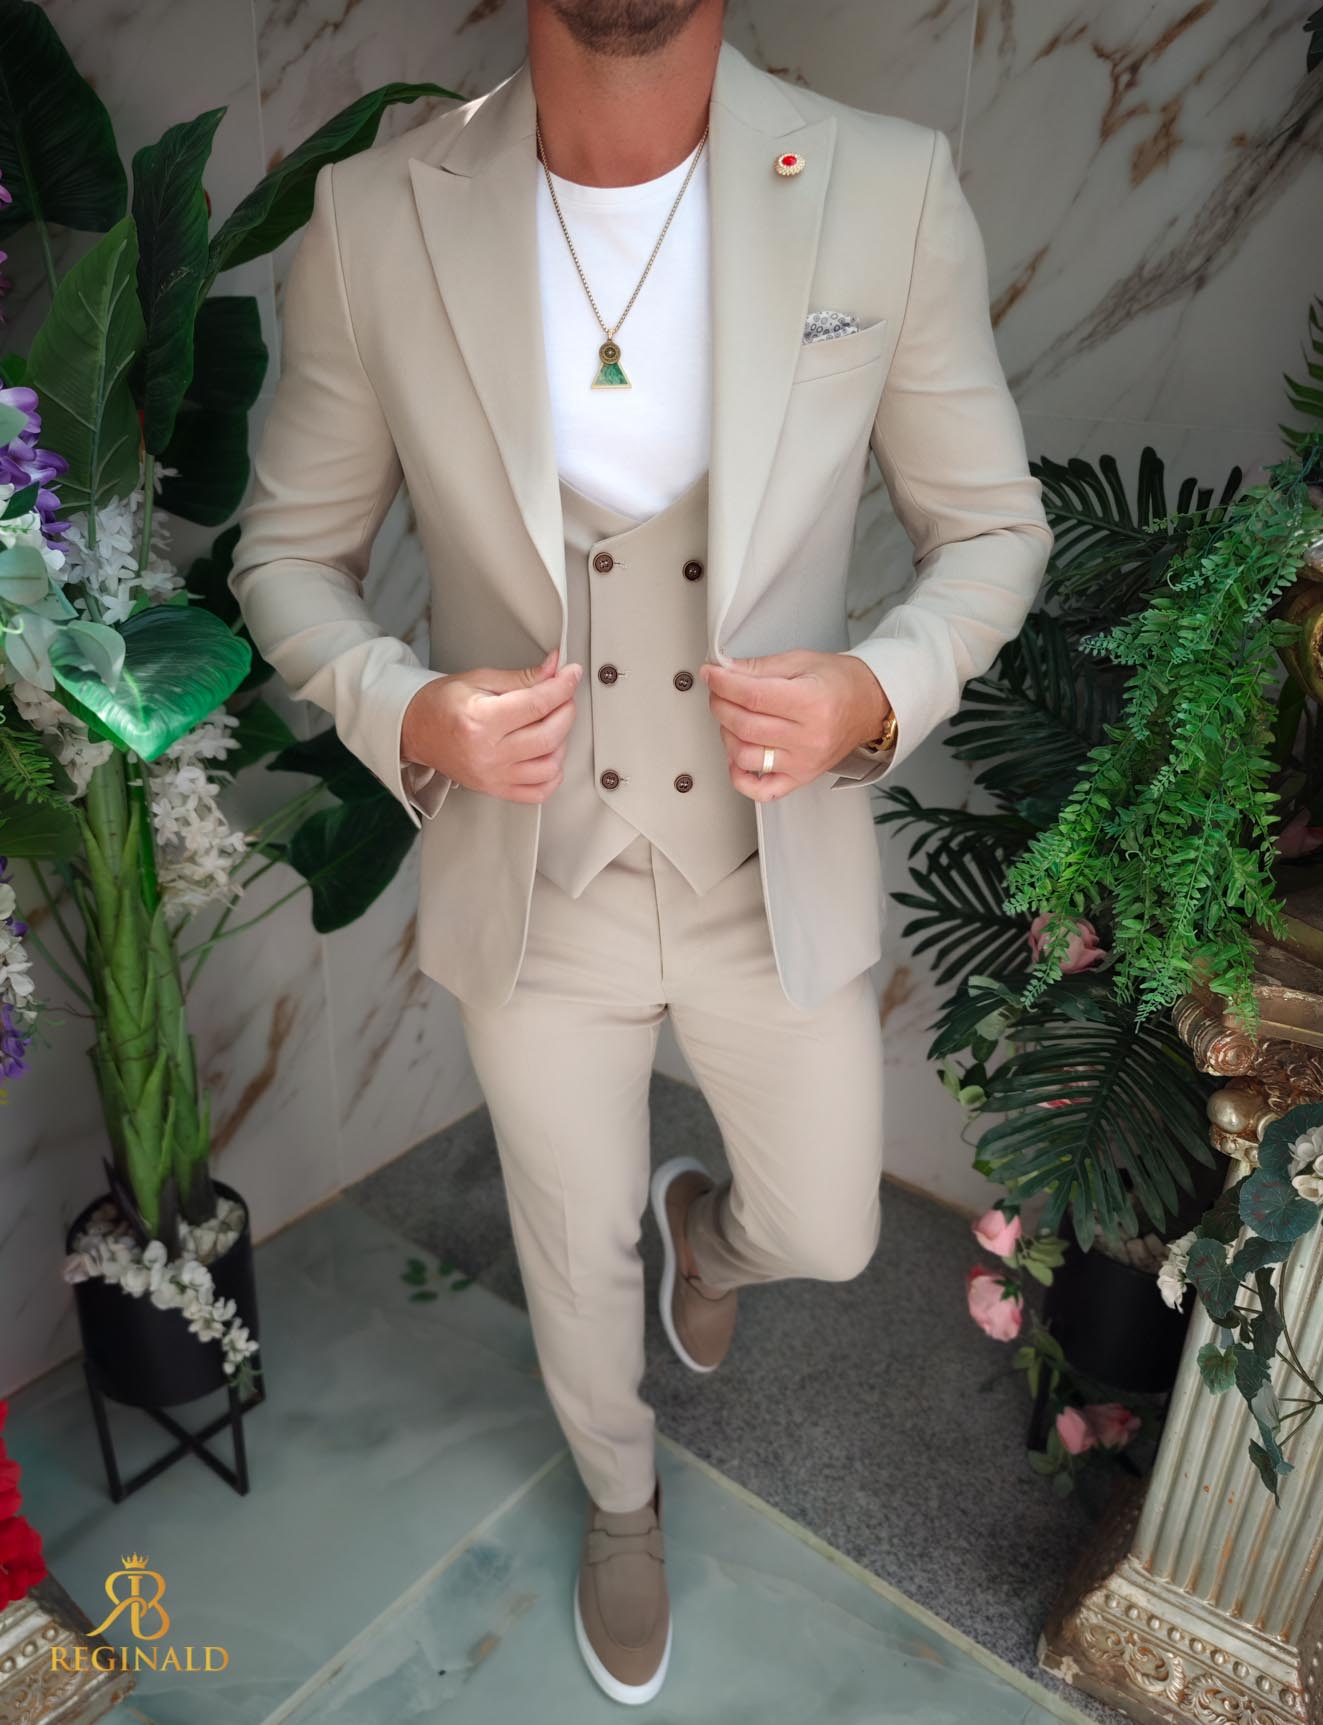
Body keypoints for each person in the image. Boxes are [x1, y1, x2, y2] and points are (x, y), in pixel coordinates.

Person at [227, 0, 1053, 1704]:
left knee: (829, 1225)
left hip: (769, 864)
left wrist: (876, 691)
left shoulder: (885, 186)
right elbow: (287, 555)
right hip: (537, 877)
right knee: (569, 1245)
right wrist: (407, 708)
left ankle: (715, 1238)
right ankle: (621, 1495)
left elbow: (990, 530)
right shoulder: (374, 218)